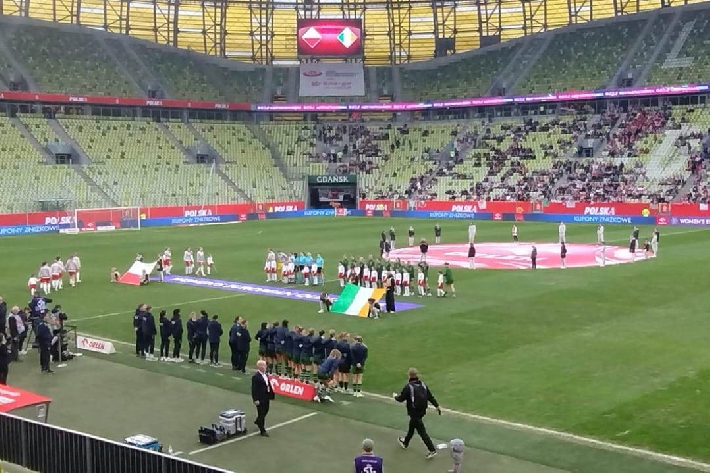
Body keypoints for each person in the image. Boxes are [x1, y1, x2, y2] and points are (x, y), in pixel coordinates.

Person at [394, 367, 441, 459]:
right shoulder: (423, 385)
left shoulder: (408, 387)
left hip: (414, 412)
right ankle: (405, 442)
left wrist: (395, 396)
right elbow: (430, 396)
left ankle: (432, 450)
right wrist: (437, 405)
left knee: (421, 431)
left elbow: (401, 399)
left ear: (409, 375)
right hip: (422, 411)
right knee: (412, 427)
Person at [251, 359, 275, 437]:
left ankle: (258, 420)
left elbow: (268, 384)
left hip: (266, 396)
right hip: (260, 398)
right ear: (261, 367)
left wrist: (271, 394)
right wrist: (255, 399)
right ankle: (262, 430)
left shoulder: (265, 375)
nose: (266, 367)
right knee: (261, 413)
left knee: (266, 410)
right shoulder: (256, 377)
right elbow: (254, 389)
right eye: (265, 365)